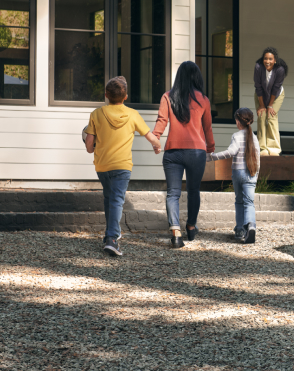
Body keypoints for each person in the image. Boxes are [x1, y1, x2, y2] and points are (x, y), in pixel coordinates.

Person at [83, 76, 161, 256]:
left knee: (109, 198)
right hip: (122, 165)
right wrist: (157, 145)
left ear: (106, 95)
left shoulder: (96, 114)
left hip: (102, 165)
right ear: (125, 97)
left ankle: (109, 235)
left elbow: (89, 145)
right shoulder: (133, 114)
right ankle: (112, 238)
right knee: (117, 199)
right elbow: (149, 135)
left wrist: (90, 147)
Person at [153, 62, 215, 249]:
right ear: (196, 77)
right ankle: (191, 225)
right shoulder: (203, 99)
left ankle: (175, 232)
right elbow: (207, 127)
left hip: (172, 151)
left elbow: (162, 120)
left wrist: (156, 138)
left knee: (173, 193)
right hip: (196, 152)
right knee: (194, 190)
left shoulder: (168, 96)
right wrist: (210, 147)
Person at [206, 108, 261, 244]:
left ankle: (239, 230)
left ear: (238, 121)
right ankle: (251, 226)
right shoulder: (254, 137)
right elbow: (258, 157)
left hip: (238, 172)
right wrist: (256, 174)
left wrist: (213, 157)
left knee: (239, 201)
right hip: (251, 173)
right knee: (249, 202)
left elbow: (231, 152)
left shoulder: (236, 136)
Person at [253, 47, 287, 156]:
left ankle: (274, 149)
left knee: (271, 116)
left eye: (270, 59)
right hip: (261, 95)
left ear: (275, 60)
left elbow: (275, 88)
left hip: (276, 96)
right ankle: (262, 148)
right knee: (262, 115)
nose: (267, 61)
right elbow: (258, 87)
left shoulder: (280, 69)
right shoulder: (258, 67)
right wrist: (262, 105)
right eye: (265, 59)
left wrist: (270, 105)